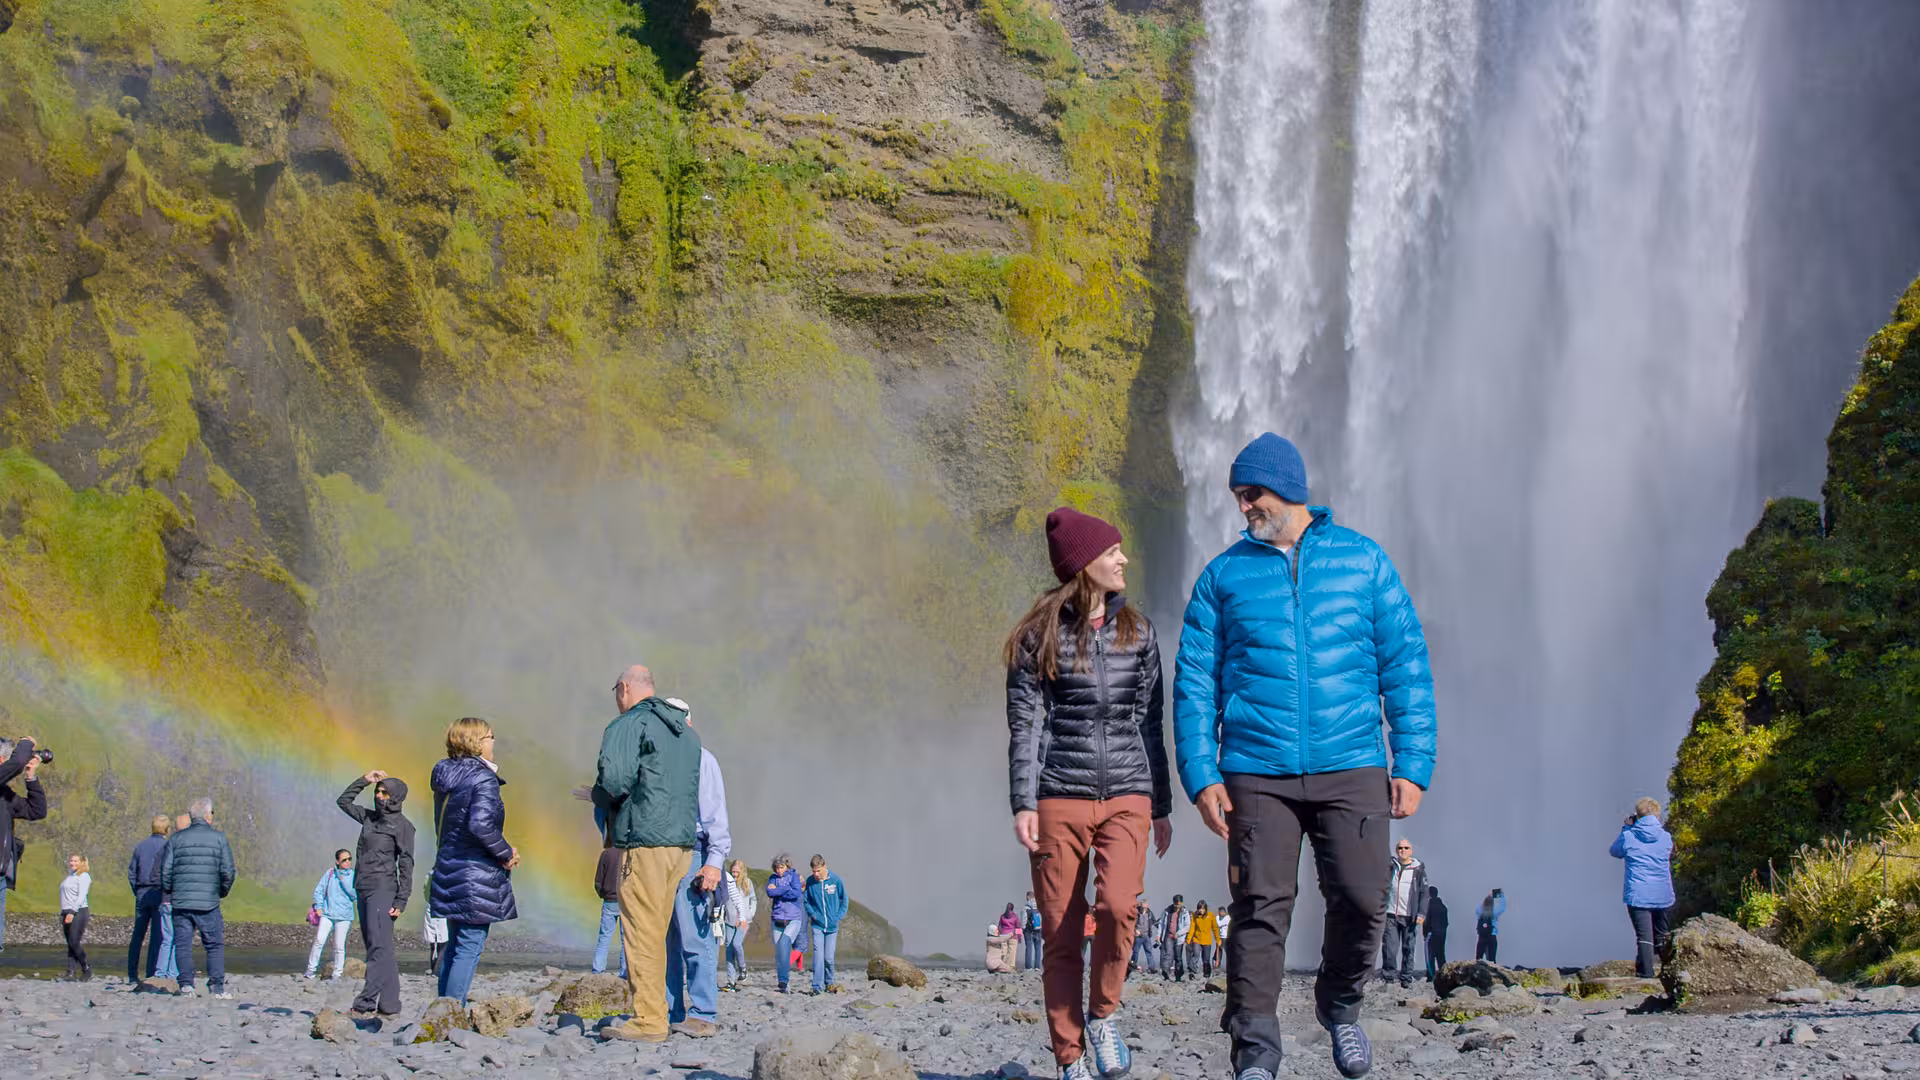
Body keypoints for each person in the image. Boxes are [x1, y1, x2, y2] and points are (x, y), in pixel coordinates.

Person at [1174, 433, 1437, 1080]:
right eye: (1239, 497)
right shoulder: (1223, 576)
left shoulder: (1364, 563)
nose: (1244, 508)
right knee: (1260, 909)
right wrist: (1201, 772)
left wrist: (1413, 761)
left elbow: (1406, 666)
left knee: (1364, 896)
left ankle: (1340, 1004)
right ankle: (1256, 1056)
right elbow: (1193, 680)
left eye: (1252, 493)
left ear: (1288, 488)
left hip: (1352, 761)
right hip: (1256, 768)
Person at [1007, 506, 1174, 1080]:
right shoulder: (1037, 636)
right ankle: (1070, 1058)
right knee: (1059, 932)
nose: (1124, 559)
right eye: (1111, 552)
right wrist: (1023, 801)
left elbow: (1152, 722)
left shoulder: (1141, 631)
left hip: (1129, 789)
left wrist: (1165, 806)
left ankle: (1103, 1014)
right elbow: (1025, 723)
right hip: (1059, 793)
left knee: (1121, 906)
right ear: (1083, 566)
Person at [592, 666, 701, 1042]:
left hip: (645, 842)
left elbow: (613, 780)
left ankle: (649, 1020)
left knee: (641, 933)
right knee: (658, 931)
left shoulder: (627, 725)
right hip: (681, 846)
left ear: (624, 688)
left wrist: (597, 798)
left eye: (615, 691)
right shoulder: (687, 734)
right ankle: (662, 1012)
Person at [428, 717, 519, 1006]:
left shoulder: (445, 776)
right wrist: (506, 853)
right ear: (477, 742)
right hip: (475, 874)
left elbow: (446, 826)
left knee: (454, 945)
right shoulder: (482, 777)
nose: (494, 743)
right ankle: (452, 1011)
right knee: (469, 946)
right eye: (491, 737)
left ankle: (441, 1011)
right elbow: (481, 825)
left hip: (448, 868)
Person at [663, 699, 731, 1036]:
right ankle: (671, 1010)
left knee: (694, 936)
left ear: (688, 724)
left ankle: (703, 1013)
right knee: (665, 939)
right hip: (658, 855)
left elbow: (715, 816)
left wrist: (714, 863)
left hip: (692, 853)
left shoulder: (703, 760)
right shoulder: (656, 759)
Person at [339, 770, 415, 1018]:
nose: (380, 796)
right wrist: (364, 780)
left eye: (385, 793)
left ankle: (365, 1002)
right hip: (363, 887)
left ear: (396, 797)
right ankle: (390, 1004)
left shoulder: (403, 827)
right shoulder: (370, 818)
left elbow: (406, 863)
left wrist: (401, 899)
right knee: (379, 946)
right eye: (378, 792)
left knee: (378, 949)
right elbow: (343, 802)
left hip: (383, 890)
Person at [162, 797, 236, 999]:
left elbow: (166, 870)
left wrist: (171, 890)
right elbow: (228, 871)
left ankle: (186, 985)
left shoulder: (176, 839)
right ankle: (217, 987)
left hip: (182, 901)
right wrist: (221, 891)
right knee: (213, 944)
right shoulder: (219, 838)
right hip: (208, 902)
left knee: (183, 943)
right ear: (207, 816)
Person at [1611, 798, 1676, 978]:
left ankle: (1646, 975)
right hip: (1662, 893)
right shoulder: (1666, 837)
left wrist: (1627, 828)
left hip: (1638, 894)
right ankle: (1669, 974)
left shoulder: (1629, 836)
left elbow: (1615, 851)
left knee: (1644, 937)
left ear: (1637, 815)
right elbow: (1668, 851)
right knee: (1662, 936)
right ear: (1657, 815)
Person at [0, 735, 47, 953]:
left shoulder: (4, 795)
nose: (5, 762)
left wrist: (31, 777)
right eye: (4, 758)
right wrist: (27, 742)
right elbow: (17, 763)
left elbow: (36, 811)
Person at [127, 815, 170, 982]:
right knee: (157, 935)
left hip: (142, 892)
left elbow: (132, 872)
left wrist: (136, 890)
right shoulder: (167, 846)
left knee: (138, 934)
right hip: (159, 892)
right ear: (166, 829)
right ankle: (151, 972)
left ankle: (132, 974)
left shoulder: (140, 846)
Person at [1380, 840, 1428, 988]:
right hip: (1391, 914)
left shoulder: (1418, 869)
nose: (1403, 850)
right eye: (1400, 848)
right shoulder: (1390, 866)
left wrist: (1421, 913)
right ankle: (1389, 978)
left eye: (1406, 848)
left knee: (1408, 948)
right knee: (1389, 948)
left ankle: (1406, 978)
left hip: (1410, 916)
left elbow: (1424, 893)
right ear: (1396, 850)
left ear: (1411, 851)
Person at [305, 849, 355, 980]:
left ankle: (337, 974)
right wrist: (319, 906)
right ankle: (310, 970)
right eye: (344, 860)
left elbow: (355, 895)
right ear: (337, 861)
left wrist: (344, 880)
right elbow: (319, 891)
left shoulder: (353, 875)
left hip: (344, 917)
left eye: (349, 859)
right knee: (319, 941)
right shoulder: (330, 873)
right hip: (327, 914)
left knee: (339, 946)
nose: (348, 862)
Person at [803, 854, 848, 995]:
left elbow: (844, 901)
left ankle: (829, 983)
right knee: (818, 955)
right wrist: (813, 915)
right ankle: (816, 986)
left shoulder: (836, 880)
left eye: (818, 870)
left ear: (824, 866)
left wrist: (838, 917)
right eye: (813, 871)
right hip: (817, 926)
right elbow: (806, 901)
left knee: (828, 957)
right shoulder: (810, 882)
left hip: (832, 927)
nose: (816, 874)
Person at [766, 854, 806, 994]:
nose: (779, 870)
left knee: (784, 944)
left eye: (781, 867)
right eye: (776, 867)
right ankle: (785, 985)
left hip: (793, 919)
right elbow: (769, 892)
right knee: (780, 954)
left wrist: (779, 890)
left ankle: (783, 980)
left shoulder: (794, 876)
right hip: (776, 919)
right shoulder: (772, 878)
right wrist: (785, 889)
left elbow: (796, 894)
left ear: (787, 866)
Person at [591, 844, 627, 976]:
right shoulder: (630, 852)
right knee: (626, 940)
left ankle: (598, 970)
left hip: (609, 901)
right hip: (627, 902)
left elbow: (598, 880)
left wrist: (603, 894)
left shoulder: (606, 854)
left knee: (604, 938)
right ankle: (624, 973)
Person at [722, 859, 756, 988]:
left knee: (737, 944)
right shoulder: (727, 883)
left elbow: (753, 900)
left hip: (743, 921)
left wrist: (750, 915)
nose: (735, 874)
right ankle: (731, 982)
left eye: (737, 872)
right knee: (729, 950)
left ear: (742, 871)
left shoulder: (747, 883)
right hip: (729, 920)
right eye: (733, 871)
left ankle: (743, 968)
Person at [59, 853, 91, 980]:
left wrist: (72, 912)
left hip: (78, 912)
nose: (72, 863)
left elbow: (81, 896)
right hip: (66, 911)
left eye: (76, 861)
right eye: (71, 861)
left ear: (82, 862)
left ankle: (86, 968)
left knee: (74, 941)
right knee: (70, 943)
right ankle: (70, 972)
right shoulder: (71, 876)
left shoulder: (84, 877)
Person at [1187, 901, 1220, 979]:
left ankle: (1207, 974)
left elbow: (1215, 928)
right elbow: (1192, 927)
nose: (1201, 911)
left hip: (1207, 940)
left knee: (1206, 959)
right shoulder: (1195, 915)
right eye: (1199, 909)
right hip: (1197, 939)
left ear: (1205, 909)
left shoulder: (1210, 916)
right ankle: (1192, 970)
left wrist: (1217, 939)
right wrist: (1189, 938)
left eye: (1202, 909)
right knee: (1196, 954)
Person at [1160, 895, 1190, 981]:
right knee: (1168, 954)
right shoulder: (1167, 911)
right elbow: (1162, 924)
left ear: (1182, 903)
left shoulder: (1185, 912)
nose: (1177, 906)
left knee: (1178, 957)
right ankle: (1165, 971)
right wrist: (1159, 935)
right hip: (1169, 935)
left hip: (1179, 938)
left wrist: (1179, 933)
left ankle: (1178, 975)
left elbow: (1187, 926)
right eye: (1176, 904)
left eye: (1179, 904)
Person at [1423, 886, 1449, 982]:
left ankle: (1431, 976)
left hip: (1431, 934)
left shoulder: (1428, 906)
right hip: (1442, 934)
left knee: (1430, 956)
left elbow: (1426, 921)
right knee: (1441, 955)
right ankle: (1444, 975)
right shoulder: (1443, 907)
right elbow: (1446, 923)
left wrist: (1425, 933)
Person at [421, 882, 447, 975]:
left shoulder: (429, 875)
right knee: (443, 942)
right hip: (443, 908)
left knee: (434, 942)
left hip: (431, 906)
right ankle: (438, 970)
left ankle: (434, 967)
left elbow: (425, 891)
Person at [1129, 896, 1158, 977]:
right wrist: (1135, 930)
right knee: (1135, 952)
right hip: (1138, 936)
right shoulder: (1136, 913)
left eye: (1145, 906)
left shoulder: (1149, 913)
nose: (1143, 908)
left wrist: (1160, 931)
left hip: (1146, 936)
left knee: (1149, 952)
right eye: (1142, 907)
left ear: (1147, 906)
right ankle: (1132, 967)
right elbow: (1130, 923)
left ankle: (1152, 968)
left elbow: (1154, 922)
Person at [1474, 889, 1505, 962]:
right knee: (1492, 960)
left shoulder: (1479, 912)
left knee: (1478, 959)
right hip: (1492, 936)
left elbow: (1478, 907)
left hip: (1481, 937)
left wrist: (1487, 897)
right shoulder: (1494, 912)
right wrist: (1502, 896)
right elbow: (1503, 907)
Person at [1023, 891, 1044, 971]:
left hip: (1028, 930)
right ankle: (1037, 967)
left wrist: (1023, 929)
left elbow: (1023, 920)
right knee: (1038, 948)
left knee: (1029, 948)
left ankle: (1028, 967)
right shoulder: (1040, 906)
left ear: (1028, 897)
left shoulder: (1026, 907)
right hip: (1039, 930)